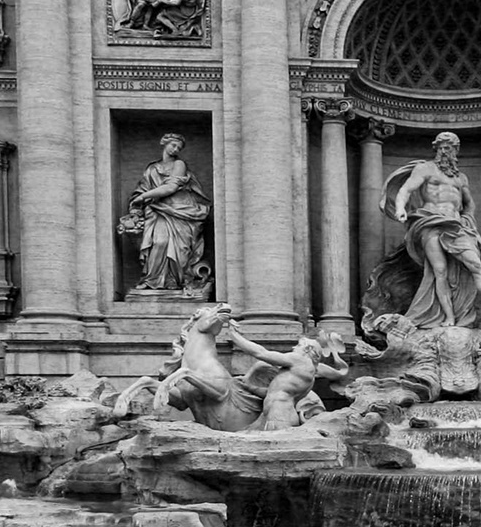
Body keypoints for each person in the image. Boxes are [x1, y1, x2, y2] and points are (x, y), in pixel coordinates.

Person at [391, 132, 481, 329]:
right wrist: (400, 208)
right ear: (436, 149)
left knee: (475, 264)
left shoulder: (461, 178)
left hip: (456, 226)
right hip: (430, 222)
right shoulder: (425, 169)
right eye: (441, 147)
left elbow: (469, 204)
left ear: (456, 150)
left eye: (450, 147)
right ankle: (448, 317)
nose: (445, 151)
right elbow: (405, 190)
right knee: (439, 271)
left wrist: (468, 220)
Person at [121, 133, 212, 293]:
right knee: (159, 243)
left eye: (179, 147)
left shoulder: (179, 164)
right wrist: (137, 204)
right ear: (164, 143)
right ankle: (152, 281)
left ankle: (175, 282)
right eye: (173, 145)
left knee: (180, 250)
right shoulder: (152, 169)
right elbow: (140, 190)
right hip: (157, 212)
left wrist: (143, 197)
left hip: (181, 212)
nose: (176, 149)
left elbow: (171, 187)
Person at [223, 323, 347, 431]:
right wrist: (250, 388)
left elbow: (261, 353)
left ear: (308, 349)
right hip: (279, 413)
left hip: (279, 415)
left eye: (298, 345)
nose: (294, 348)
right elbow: (276, 392)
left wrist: (234, 336)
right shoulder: (309, 372)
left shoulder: (300, 360)